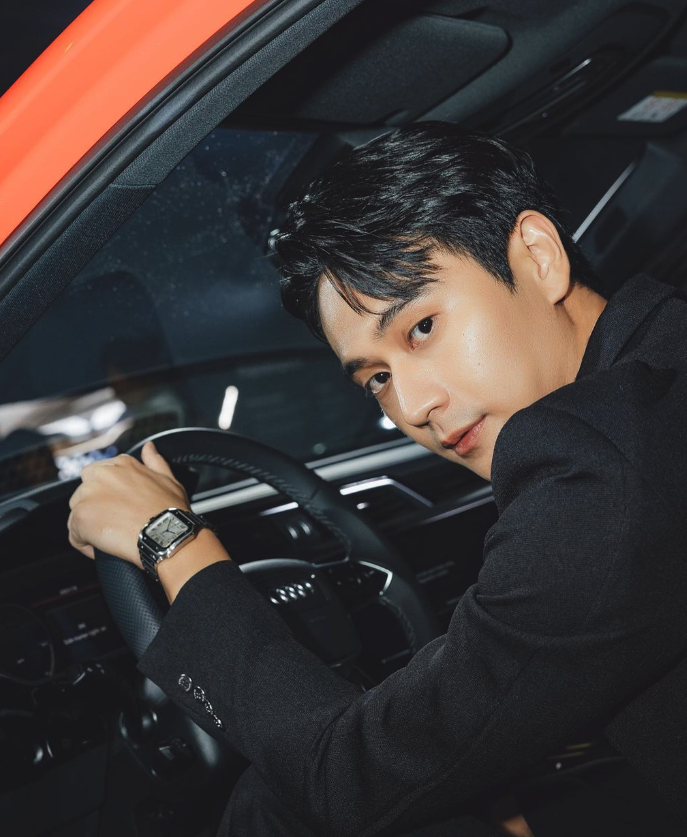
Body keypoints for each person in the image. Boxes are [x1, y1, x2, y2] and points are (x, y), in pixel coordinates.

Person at [67, 123, 687, 835]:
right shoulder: (657, 364)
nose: (413, 406)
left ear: (538, 257)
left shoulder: (601, 468)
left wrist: (172, 541)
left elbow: (343, 781)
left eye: (421, 328)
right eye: (378, 379)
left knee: (274, 811)